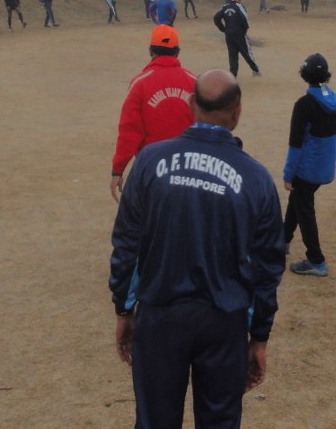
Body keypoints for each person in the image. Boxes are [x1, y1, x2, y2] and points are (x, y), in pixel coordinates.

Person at [109, 69, 285, 429]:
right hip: (223, 321)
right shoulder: (256, 179)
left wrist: (124, 309)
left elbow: (128, 242)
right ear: (237, 112)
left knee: (155, 421)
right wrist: (259, 336)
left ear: (191, 105)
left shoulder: (149, 162)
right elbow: (267, 266)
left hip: (160, 315)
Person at [109, 25, 196, 201]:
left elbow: (130, 131)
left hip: (152, 169)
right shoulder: (194, 82)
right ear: (177, 52)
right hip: (189, 169)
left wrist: (118, 170)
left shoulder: (140, 84)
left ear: (151, 51)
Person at [282, 53, 336, 277]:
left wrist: (288, 174)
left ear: (304, 75)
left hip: (307, 169)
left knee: (304, 209)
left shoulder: (304, 105)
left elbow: (295, 144)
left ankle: (316, 260)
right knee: (298, 199)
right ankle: (282, 239)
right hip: (324, 165)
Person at [213, 0, 260, 77]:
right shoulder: (240, 7)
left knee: (232, 55)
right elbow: (245, 20)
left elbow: (216, 18)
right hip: (239, 34)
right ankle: (256, 70)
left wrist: (223, 29)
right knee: (247, 53)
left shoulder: (225, 7)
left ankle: (233, 75)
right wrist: (244, 31)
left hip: (229, 34)